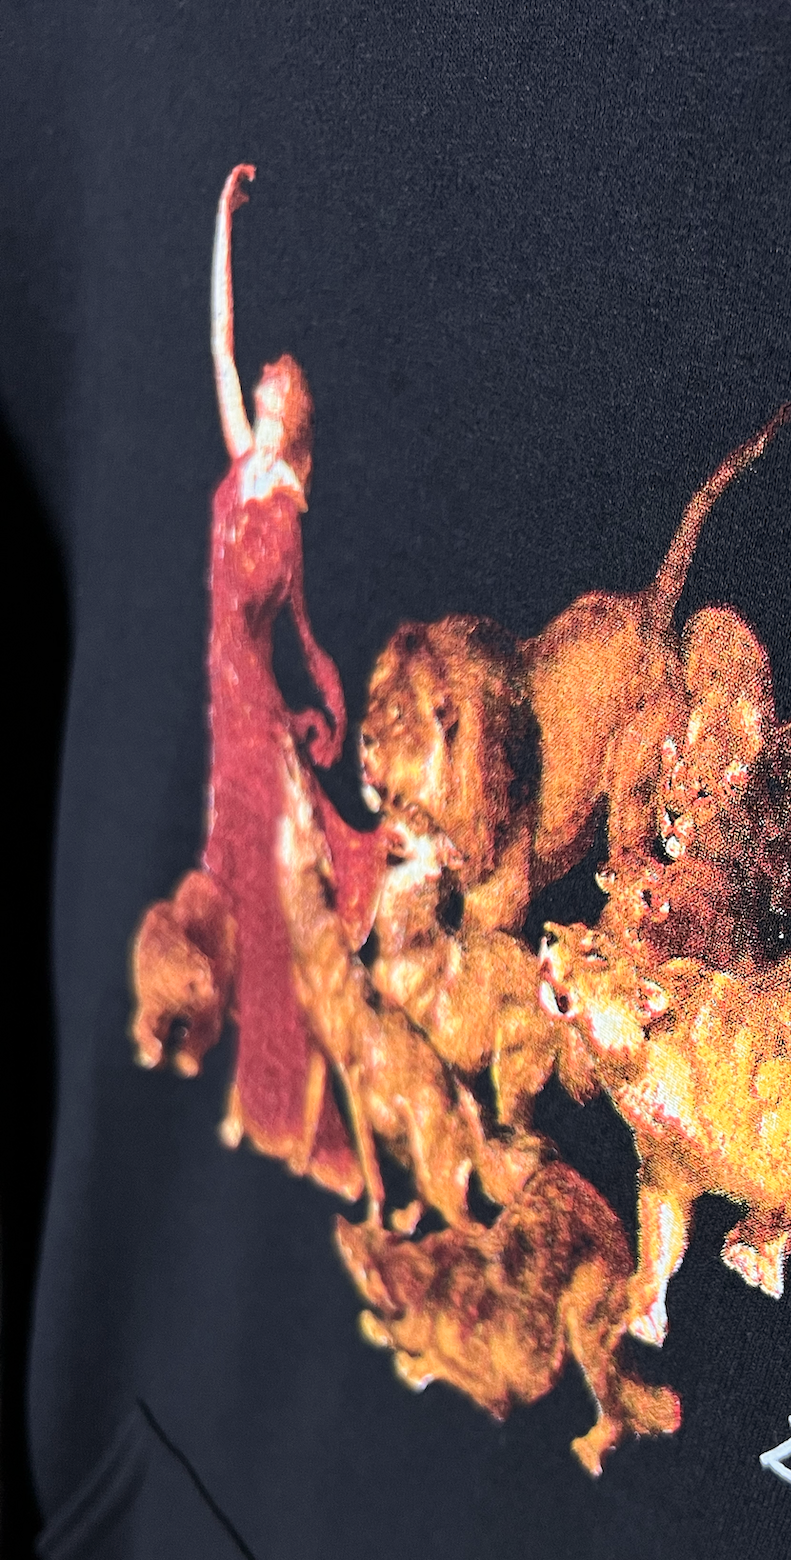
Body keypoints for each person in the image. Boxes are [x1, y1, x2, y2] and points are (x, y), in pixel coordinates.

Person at [202, 163, 386, 1198]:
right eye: (263, 381)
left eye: (274, 384)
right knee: (234, 887)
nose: (263, 381)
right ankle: (250, 1088)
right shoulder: (242, 461)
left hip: (254, 711)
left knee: (274, 907)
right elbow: (219, 340)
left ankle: (298, 1103)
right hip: (223, 702)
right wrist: (221, 222)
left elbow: (260, 601)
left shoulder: (282, 505)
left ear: (289, 412)